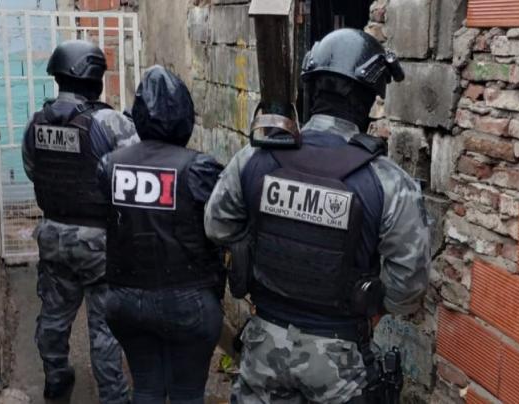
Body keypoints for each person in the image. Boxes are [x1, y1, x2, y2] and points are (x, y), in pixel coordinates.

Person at [204, 28, 431, 404]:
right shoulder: (389, 182)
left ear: (310, 88)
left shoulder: (255, 157)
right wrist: (373, 310)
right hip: (339, 357)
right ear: (369, 99)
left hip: (264, 345)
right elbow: (408, 287)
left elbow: (216, 226)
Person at [95, 65, 225, 404]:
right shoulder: (200, 167)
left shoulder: (109, 165)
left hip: (125, 300)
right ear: (185, 115)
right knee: (186, 393)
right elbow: (226, 227)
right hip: (188, 298)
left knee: (147, 388)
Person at [22, 39, 137, 403]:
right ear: (94, 77)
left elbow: (32, 170)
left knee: (54, 316)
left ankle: (56, 379)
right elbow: (133, 176)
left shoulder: (36, 123)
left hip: (53, 236)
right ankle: (113, 396)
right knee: (104, 329)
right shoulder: (111, 122)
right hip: (100, 242)